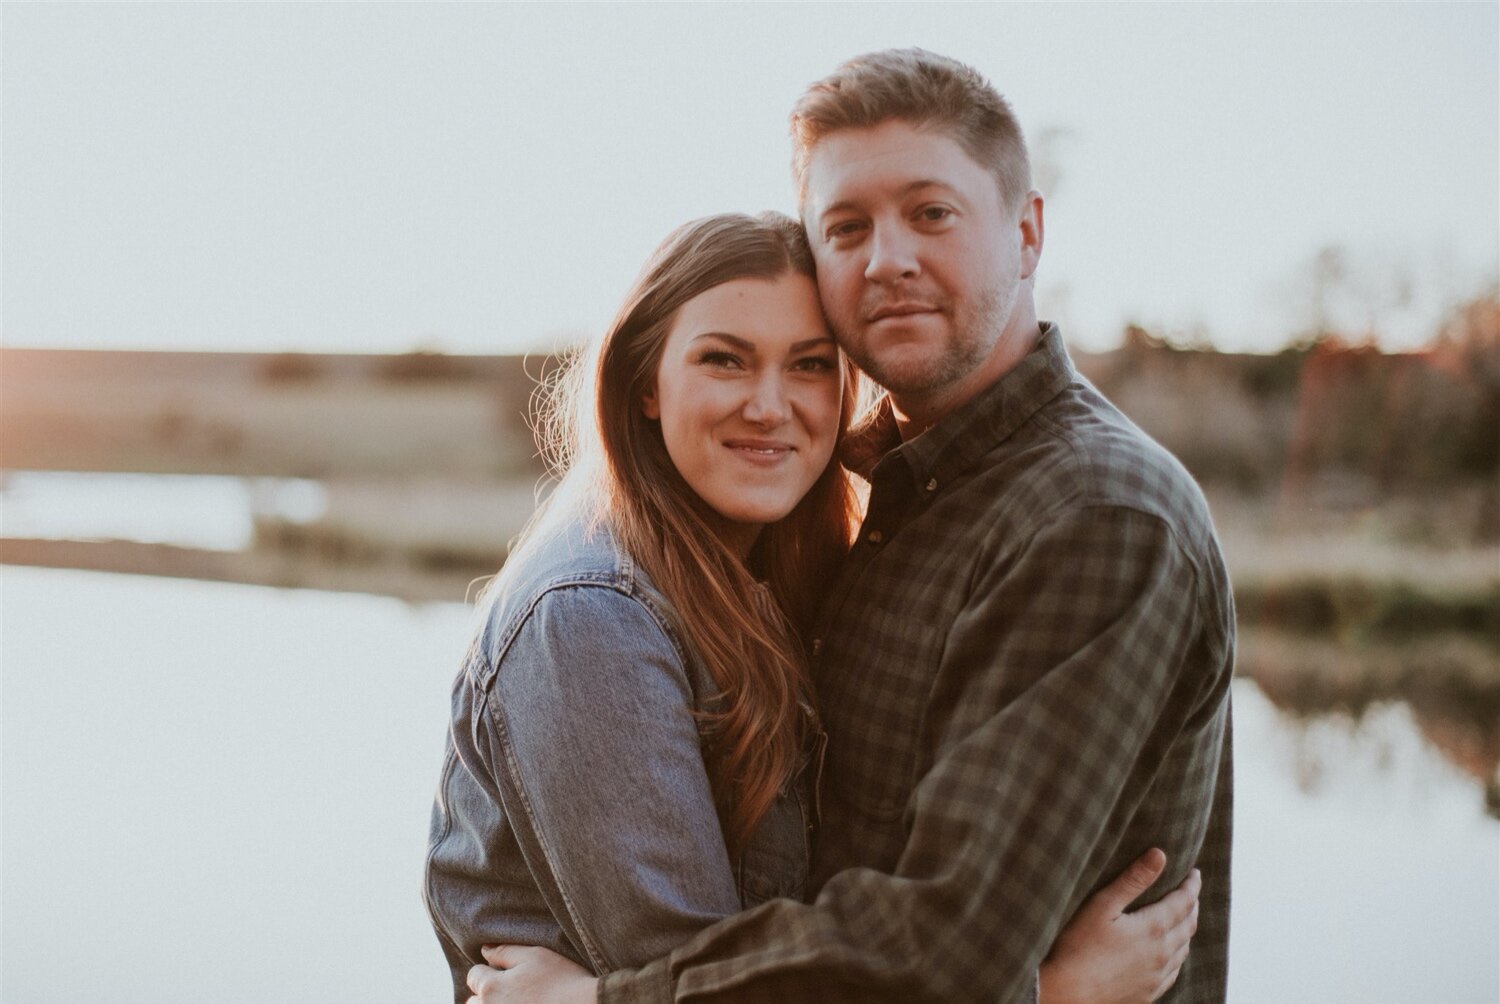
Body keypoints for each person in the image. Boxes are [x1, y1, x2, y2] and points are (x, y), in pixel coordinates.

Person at [468, 48, 1235, 1004]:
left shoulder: (1096, 515)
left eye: (932, 213)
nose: (888, 259)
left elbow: (947, 944)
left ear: (1029, 233)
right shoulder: (873, 501)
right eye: (846, 225)